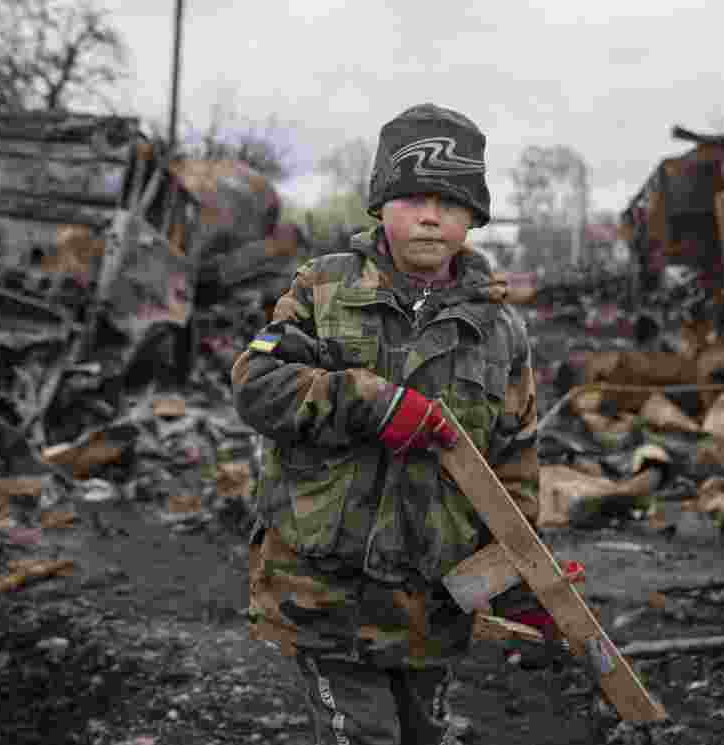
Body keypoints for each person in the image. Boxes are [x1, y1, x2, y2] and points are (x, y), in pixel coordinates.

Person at [232, 103, 546, 745]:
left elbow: (515, 462)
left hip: (429, 607)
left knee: (421, 733)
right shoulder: (321, 288)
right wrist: (370, 403)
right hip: (323, 592)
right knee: (361, 733)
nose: (432, 216)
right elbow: (256, 384)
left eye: (452, 203)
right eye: (413, 198)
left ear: (474, 217)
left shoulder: (500, 331)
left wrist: (516, 575)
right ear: (381, 206)